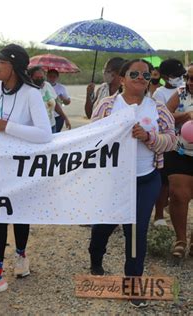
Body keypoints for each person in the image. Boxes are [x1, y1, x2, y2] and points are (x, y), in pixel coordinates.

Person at [88, 59, 176, 308]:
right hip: (112, 180)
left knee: (136, 232)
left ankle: (133, 285)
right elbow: (92, 137)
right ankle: (95, 257)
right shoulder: (107, 105)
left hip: (145, 180)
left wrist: (148, 137)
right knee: (104, 226)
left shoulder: (157, 109)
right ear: (122, 78)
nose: (140, 77)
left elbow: (171, 141)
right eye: (134, 73)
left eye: (146, 75)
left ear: (150, 80)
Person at [0, 44, 52, 296]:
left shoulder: (31, 93)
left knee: (20, 214)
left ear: (15, 66)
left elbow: (44, 134)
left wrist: (8, 127)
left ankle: (21, 255)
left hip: (22, 166)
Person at [152, 59, 186, 227]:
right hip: (170, 142)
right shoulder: (160, 93)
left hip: (187, 144)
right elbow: (162, 118)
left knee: (180, 184)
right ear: (165, 77)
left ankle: (169, 207)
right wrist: (186, 115)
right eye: (176, 76)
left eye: (182, 75)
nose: (180, 78)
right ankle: (158, 215)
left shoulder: (186, 90)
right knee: (165, 181)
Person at [164, 63, 193, 259]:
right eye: (188, 77)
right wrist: (186, 115)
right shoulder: (181, 93)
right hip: (180, 152)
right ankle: (180, 240)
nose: (190, 82)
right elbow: (164, 117)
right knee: (178, 195)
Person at [29, 66, 71, 133]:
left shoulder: (47, 85)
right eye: (37, 77)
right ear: (31, 77)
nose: (39, 79)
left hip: (51, 125)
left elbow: (55, 104)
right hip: (36, 127)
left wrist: (65, 118)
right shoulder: (28, 89)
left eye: (41, 77)